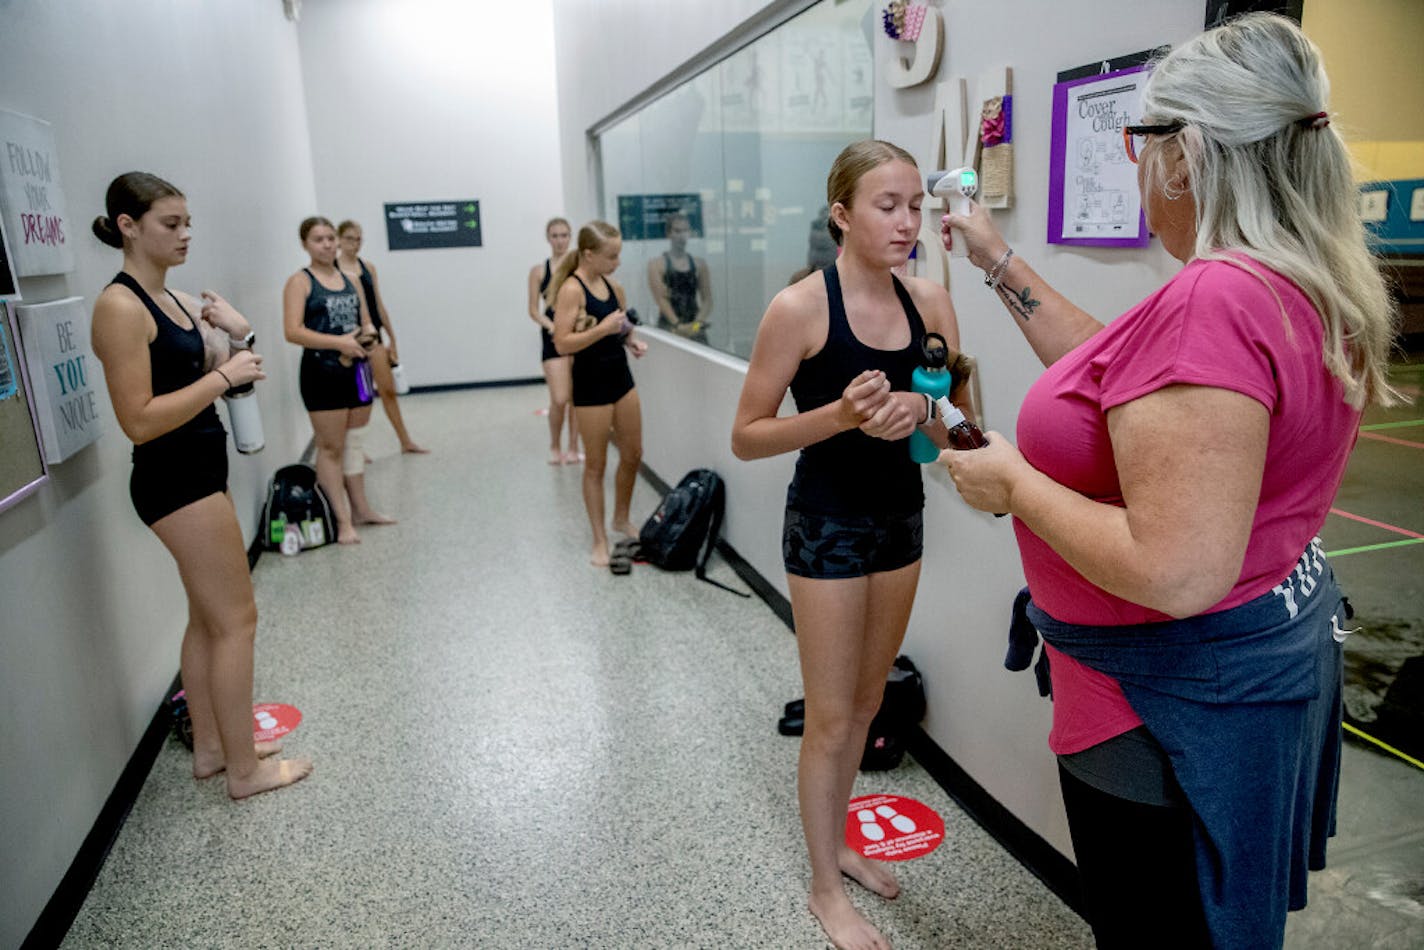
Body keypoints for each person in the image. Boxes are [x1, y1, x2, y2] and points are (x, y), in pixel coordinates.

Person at [936, 14, 1397, 949]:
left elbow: (1177, 569)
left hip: (1166, 706)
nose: (1134, 162)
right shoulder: (1296, 278)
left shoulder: (1213, 299)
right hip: (1255, 662)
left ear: (1184, 156)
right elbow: (1112, 380)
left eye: (1140, 140)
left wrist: (1013, 484)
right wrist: (994, 259)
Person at [731, 140, 966, 950]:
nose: (908, 222)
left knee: (868, 704)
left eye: (915, 206)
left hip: (902, 520)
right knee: (832, 718)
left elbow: (960, 423)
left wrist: (920, 414)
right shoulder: (799, 309)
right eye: (887, 206)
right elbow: (748, 436)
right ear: (842, 214)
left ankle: (840, 844)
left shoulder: (932, 303)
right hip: (827, 524)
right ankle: (826, 887)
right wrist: (840, 415)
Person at [90, 172, 313, 799]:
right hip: (173, 479)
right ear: (128, 226)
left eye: (189, 222)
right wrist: (223, 377)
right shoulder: (120, 306)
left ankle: (214, 749)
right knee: (239, 620)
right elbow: (137, 417)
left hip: (199, 466)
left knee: (207, 618)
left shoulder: (178, 299)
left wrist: (239, 337)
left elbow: (232, 373)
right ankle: (246, 772)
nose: (186, 234)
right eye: (171, 224)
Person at [283, 216, 395, 544]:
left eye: (331, 238)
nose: (328, 244)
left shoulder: (350, 279)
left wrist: (369, 335)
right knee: (330, 447)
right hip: (322, 373)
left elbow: (365, 320)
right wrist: (338, 343)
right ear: (305, 244)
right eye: (319, 239)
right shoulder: (300, 282)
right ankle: (342, 519)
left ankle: (362, 509)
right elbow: (292, 331)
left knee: (355, 441)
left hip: (357, 370)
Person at [548, 220, 648, 567]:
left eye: (618, 255)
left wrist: (630, 340)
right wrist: (603, 329)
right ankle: (599, 538)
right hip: (590, 384)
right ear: (589, 255)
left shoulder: (614, 288)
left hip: (620, 377)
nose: (617, 262)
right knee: (596, 464)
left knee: (634, 453)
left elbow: (619, 328)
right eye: (612, 256)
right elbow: (561, 342)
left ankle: (620, 518)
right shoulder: (572, 290)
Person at [335, 219, 429, 454]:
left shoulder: (368, 268)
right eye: (350, 238)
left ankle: (405, 440)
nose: (355, 244)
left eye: (359, 239)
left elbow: (378, 304)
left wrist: (392, 338)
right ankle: (355, 448)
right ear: (339, 239)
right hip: (346, 341)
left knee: (387, 390)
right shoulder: (333, 270)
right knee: (356, 396)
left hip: (373, 336)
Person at [527, 217, 581, 464]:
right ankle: (555, 445)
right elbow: (533, 310)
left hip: (579, 336)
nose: (560, 240)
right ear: (548, 239)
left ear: (571, 237)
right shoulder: (539, 271)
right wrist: (553, 327)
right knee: (559, 398)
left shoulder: (579, 268)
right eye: (555, 236)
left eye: (564, 235)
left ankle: (572, 447)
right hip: (553, 339)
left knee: (577, 397)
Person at [646, 211, 712, 343]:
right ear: (669, 233)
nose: (681, 236)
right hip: (669, 326)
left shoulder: (699, 264)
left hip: (694, 325)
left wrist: (696, 325)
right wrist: (678, 326)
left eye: (685, 231)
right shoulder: (656, 265)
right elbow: (661, 300)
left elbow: (708, 300)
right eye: (677, 231)